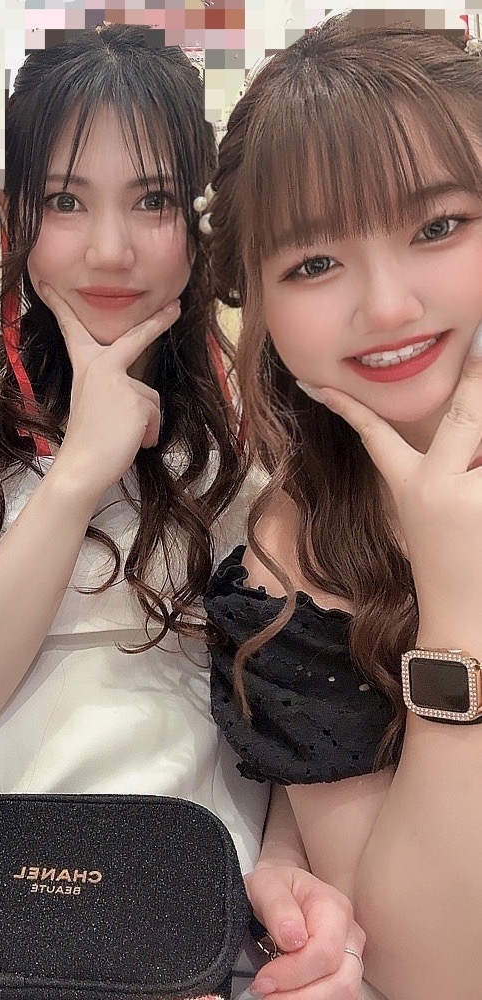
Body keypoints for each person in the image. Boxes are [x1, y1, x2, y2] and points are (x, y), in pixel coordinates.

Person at [0, 25, 363, 1000]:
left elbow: (306, 716)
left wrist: (293, 876)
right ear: (19, 218)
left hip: (197, 925)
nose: (110, 249)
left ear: (200, 223)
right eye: (66, 201)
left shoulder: (271, 435)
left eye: (152, 200)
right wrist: (77, 474)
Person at [203, 14, 482, 1000]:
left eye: (437, 226)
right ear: (258, 305)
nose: (388, 306)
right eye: (313, 264)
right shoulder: (294, 557)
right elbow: (429, 971)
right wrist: (456, 607)